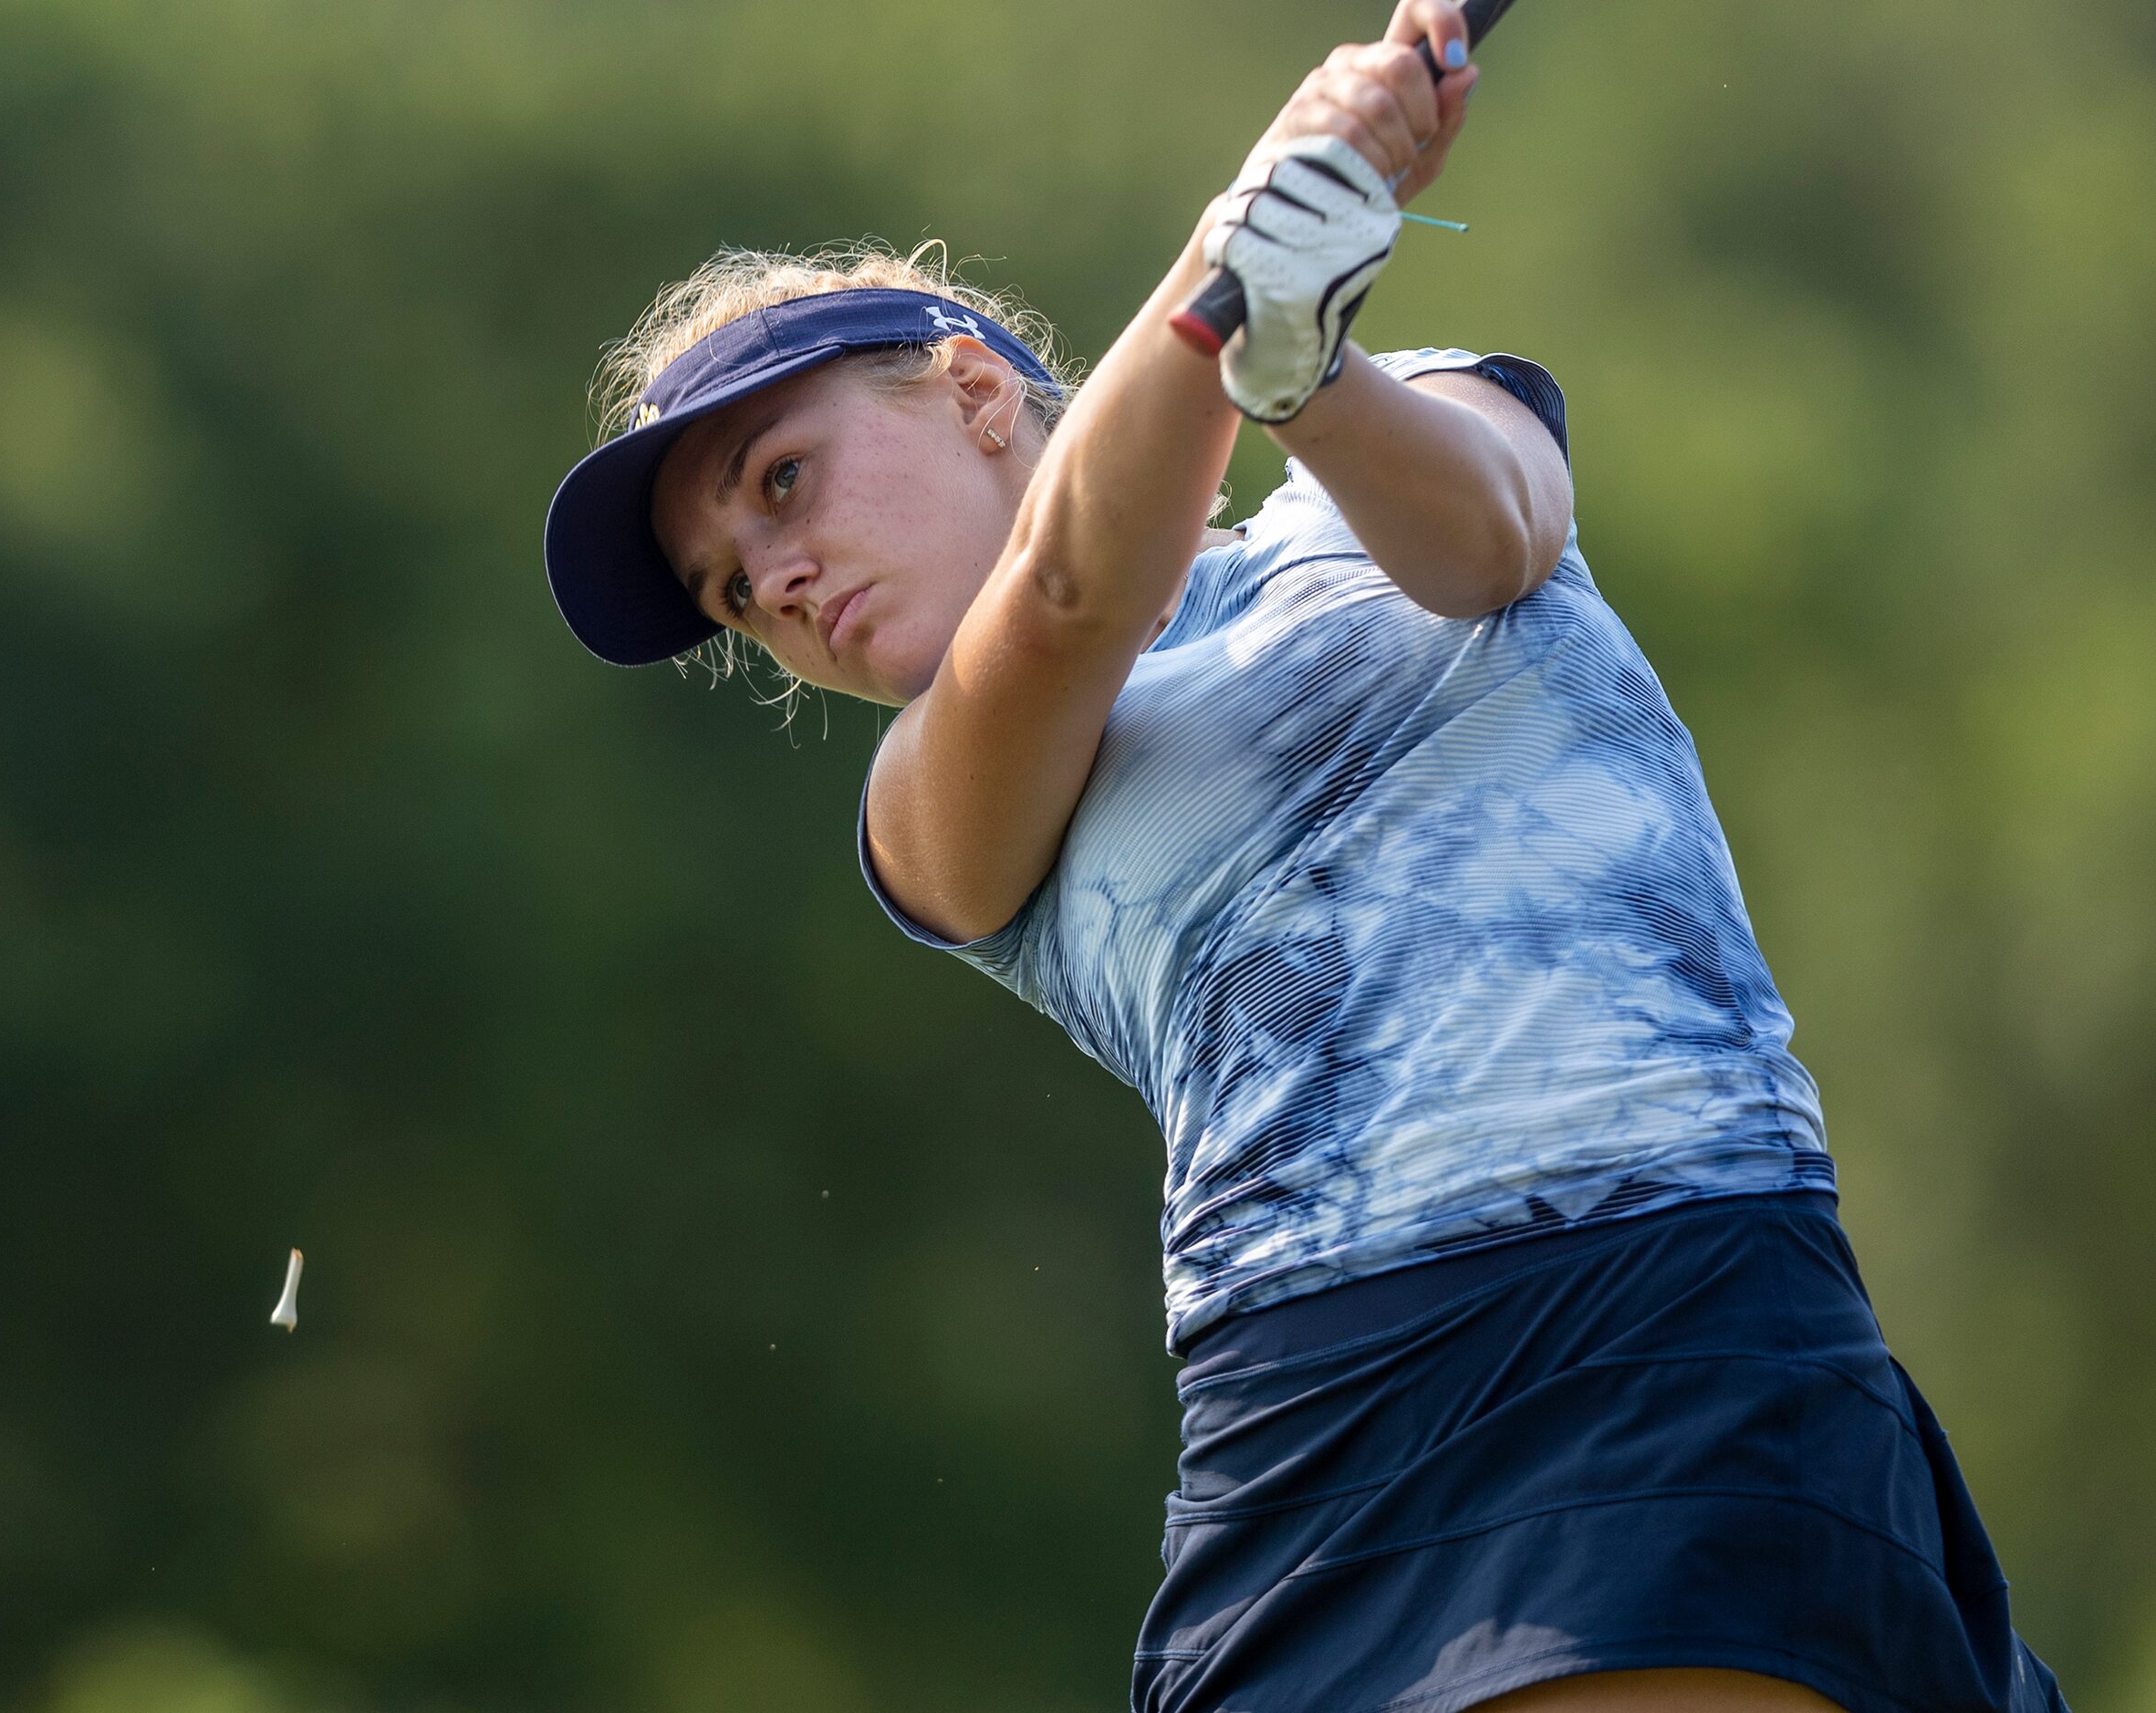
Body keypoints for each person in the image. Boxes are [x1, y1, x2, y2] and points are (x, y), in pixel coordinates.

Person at [540, 4, 2067, 1709]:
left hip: (1656, 1286)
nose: (778, 583)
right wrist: (1230, 251)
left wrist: (1300, 361)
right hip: (1317, 1415)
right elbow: (1066, 591)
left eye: (783, 481)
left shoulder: (1420, 412)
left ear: (973, 391)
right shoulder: (929, 795)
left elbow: (1484, 542)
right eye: (733, 591)